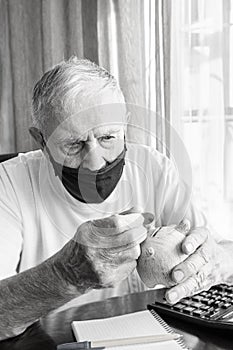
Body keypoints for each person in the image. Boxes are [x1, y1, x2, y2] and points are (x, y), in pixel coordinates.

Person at [0, 57, 233, 341]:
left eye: (108, 137)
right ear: (41, 141)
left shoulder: (153, 168)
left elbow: (223, 250)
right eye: (74, 144)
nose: (95, 162)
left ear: (125, 126)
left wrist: (213, 260)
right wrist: (65, 275)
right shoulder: (8, 183)